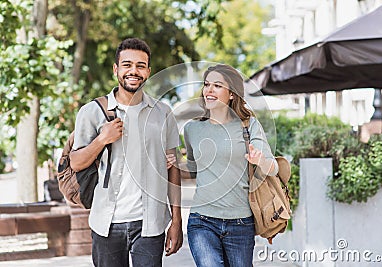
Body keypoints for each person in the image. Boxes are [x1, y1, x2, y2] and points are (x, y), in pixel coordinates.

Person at [70, 37, 183, 267]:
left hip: (149, 224)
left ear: (148, 71)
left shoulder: (162, 113)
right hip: (106, 222)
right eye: (127, 65)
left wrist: (177, 220)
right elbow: (76, 162)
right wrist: (102, 139)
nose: (134, 71)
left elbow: (174, 169)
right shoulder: (92, 111)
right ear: (116, 69)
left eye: (140, 66)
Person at [182, 64, 278, 267]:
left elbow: (274, 168)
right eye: (207, 85)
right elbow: (193, 170)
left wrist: (259, 160)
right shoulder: (192, 129)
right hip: (202, 220)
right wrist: (178, 163)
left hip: (240, 222)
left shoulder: (248, 125)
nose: (209, 90)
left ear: (232, 94)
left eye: (217, 86)